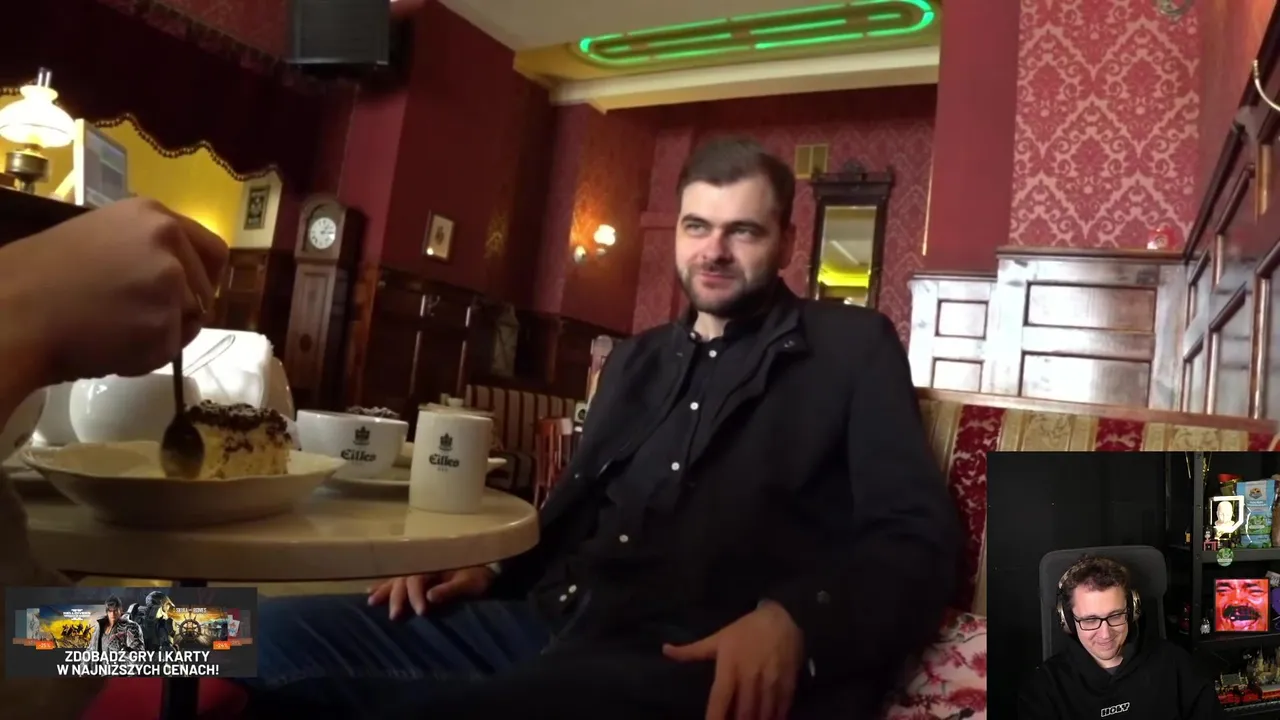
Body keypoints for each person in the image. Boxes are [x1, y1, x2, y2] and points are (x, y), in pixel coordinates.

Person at [243, 137, 960, 720]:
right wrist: (491, 565)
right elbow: (573, 513)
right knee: (218, 631)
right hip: (547, 619)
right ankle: (169, 661)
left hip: (685, 658)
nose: (713, 250)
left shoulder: (851, 347)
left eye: (742, 231)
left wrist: (796, 618)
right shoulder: (635, 359)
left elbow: (917, 535)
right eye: (697, 226)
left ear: (787, 241)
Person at [0, 196, 227, 719]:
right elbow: (30, 640)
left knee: (232, 628)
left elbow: (32, 627)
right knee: (236, 631)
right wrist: (22, 307)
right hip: (33, 635)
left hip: (34, 628)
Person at [1018, 555, 1221, 719]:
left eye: (1115, 616)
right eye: (1090, 620)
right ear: (1068, 620)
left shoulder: (1176, 665)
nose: (1105, 634)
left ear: (1132, 612)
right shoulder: (1044, 689)